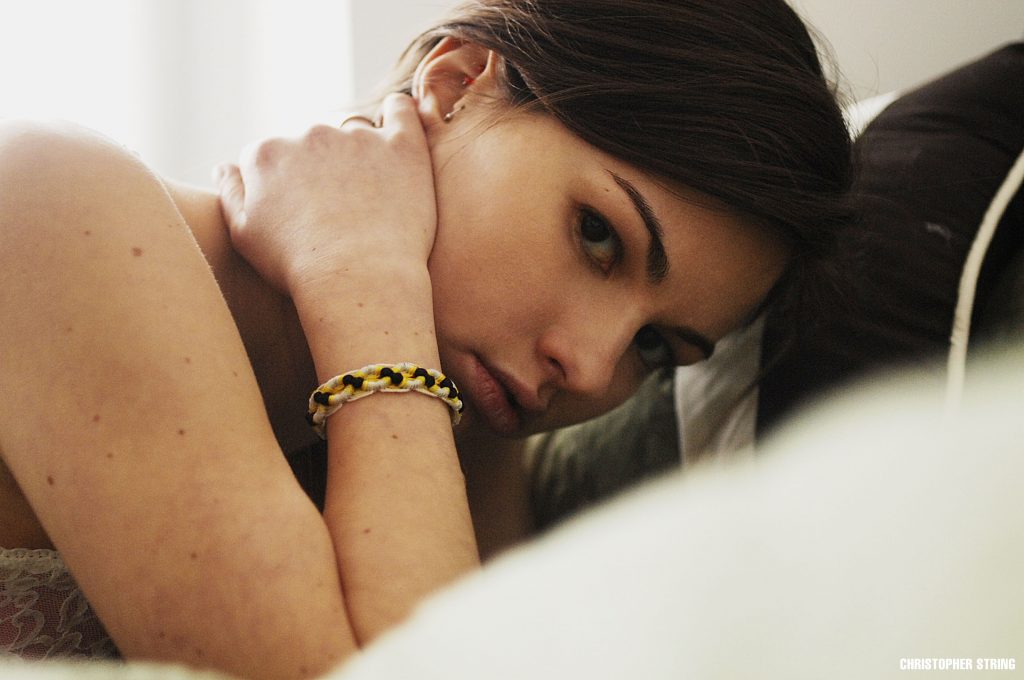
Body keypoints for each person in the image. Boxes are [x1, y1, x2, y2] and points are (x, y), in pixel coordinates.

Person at [0, 0, 852, 677]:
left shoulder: (453, 431)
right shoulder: (57, 198)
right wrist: (366, 275)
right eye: (598, 235)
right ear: (455, 86)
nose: (590, 367)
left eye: (656, 349)